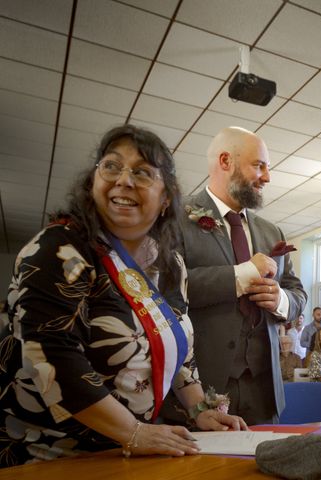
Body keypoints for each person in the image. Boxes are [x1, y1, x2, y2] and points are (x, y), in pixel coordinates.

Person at [0, 125, 246, 468]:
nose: (124, 180)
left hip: (127, 452)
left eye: (143, 172)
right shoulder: (59, 248)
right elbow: (50, 355)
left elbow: (177, 350)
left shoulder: (170, 263)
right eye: (111, 166)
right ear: (93, 183)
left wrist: (200, 410)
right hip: (48, 453)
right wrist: (134, 431)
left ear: (166, 198)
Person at [177, 126, 306, 425]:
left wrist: (281, 300)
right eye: (258, 165)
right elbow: (166, 288)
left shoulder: (271, 231)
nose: (267, 177)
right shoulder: (176, 219)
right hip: (200, 388)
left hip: (265, 391)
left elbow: (297, 292)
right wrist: (243, 275)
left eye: (267, 168)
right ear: (225, 161)